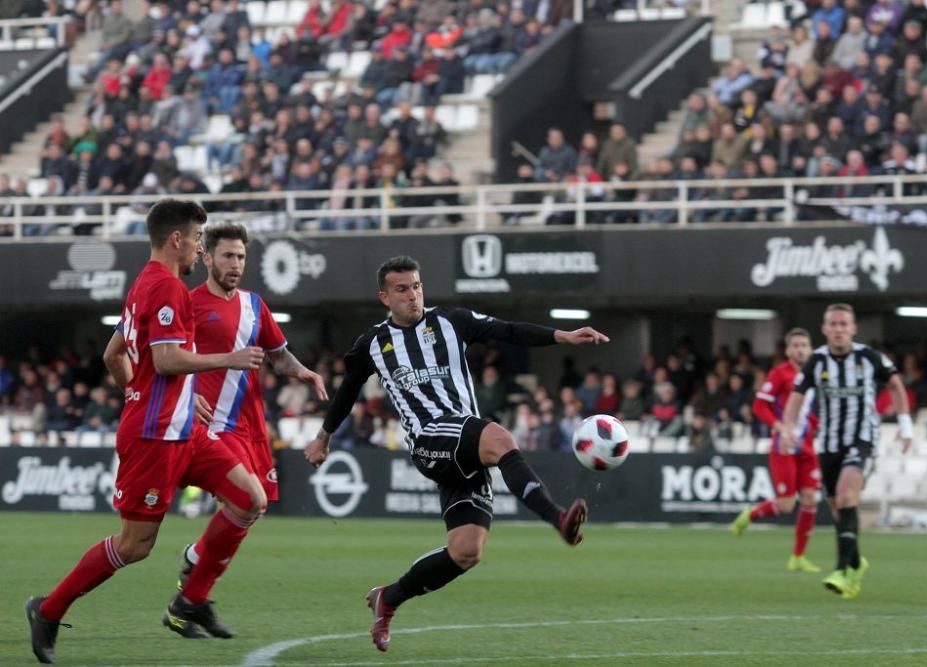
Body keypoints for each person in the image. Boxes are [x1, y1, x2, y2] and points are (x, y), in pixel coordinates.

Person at [303, 255, 608, 653]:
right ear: (384, 297)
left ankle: (389, 598)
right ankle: (558, 518)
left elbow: (508, 330)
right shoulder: (372, 344)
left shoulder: (451, 321)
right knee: (499, 438)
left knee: (466, 551)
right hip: (429, 438)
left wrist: (561, 336)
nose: (412, 295)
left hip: (462, 441)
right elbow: (347, 392)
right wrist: (323, 436)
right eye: (401, 289)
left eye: (416, 286)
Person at [26, 200, 268, 664]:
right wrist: (226, 360)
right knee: (135, 545)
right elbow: (165, 360)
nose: (201, 248)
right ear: (177, 239)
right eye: (198, 239)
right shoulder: (168, 290)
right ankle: (49, 610)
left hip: (184, 430)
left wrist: (158, 393)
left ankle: (191, 599)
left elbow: (115, 356)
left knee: (250, 498)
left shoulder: (144, 284)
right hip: (155, 437)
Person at [172, 223, 328, 615]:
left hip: (250, 424)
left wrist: (303, 372)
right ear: (207, 257)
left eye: (240, 256)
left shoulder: (254, 305)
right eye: (227, 255)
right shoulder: (189, 304)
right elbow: (166, 361)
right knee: (246, 501)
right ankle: (193, 596)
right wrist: (188, 395)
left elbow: (279, 354)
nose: (235, 263)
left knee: (252, 509)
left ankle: (196, 560)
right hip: (210, 425)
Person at [779, 303, 912, 600]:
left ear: (853, 328)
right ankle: (855, 562)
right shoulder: (817, 361)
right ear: (825, 329)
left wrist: (906, 426)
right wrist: (788, 429)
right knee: (839, 510)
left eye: (844, 324)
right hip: (828, 444)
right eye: (833, 324)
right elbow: (796, 398)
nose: (838, 329)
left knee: (846, 495)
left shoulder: (869, 357)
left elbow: (896, 385)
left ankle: (840, 570)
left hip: (862, 438)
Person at [729, 328, 822, 574]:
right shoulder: (780, 374)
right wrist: (779, 427)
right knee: (786, 505)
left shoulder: (818, 372)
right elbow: (760, 406)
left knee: (811, 499)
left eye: (804, 345)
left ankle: (798, 557)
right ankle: (751, 514)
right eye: (796, 345)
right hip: (784, 447)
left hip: (808, 447)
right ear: (789, 350)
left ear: (810, 348)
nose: (801, 349)